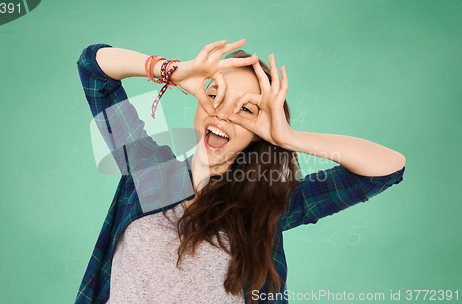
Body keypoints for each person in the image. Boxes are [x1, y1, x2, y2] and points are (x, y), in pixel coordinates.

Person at [75, 39, 406, 304]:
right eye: (216, 96)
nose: (224, 114)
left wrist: (288, 138)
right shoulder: (148, 171)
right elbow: (93, 67)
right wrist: (172, 71)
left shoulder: (267, 204)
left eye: (246, 110)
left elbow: (385, 169)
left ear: (258, 132)